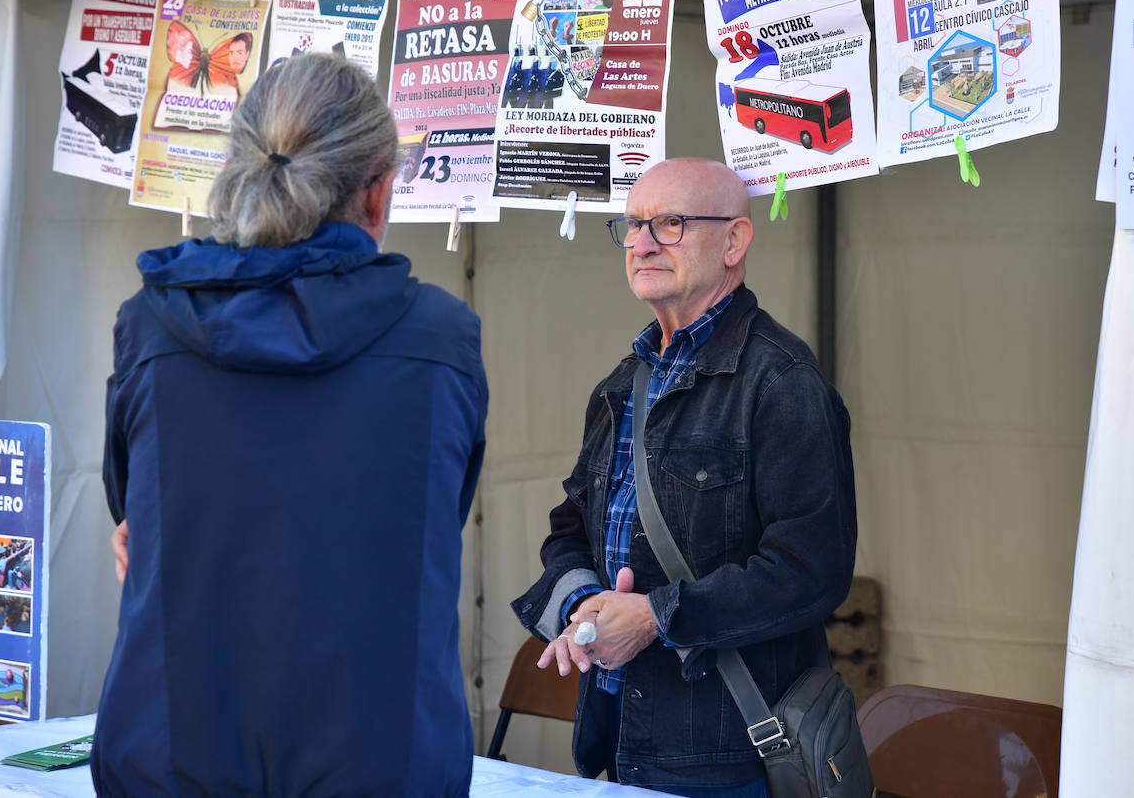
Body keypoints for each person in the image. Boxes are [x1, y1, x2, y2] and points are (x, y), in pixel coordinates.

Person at [94, 52, 487, 797]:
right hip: (381, 758)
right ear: (378, 193)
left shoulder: (148, 327)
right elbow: (433, 515)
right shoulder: (440, 336)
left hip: (173, 756)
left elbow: (130, 516)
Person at [511, 158, 858, 795]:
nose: (641, 243)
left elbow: (812, 571)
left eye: (669, 224)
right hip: (620, 737)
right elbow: (568, 530)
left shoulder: (782, 383)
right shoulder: (623, 383)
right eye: (632, 225)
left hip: (729, 757)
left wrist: (654, 617)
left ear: (734, 241)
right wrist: (580, 608)